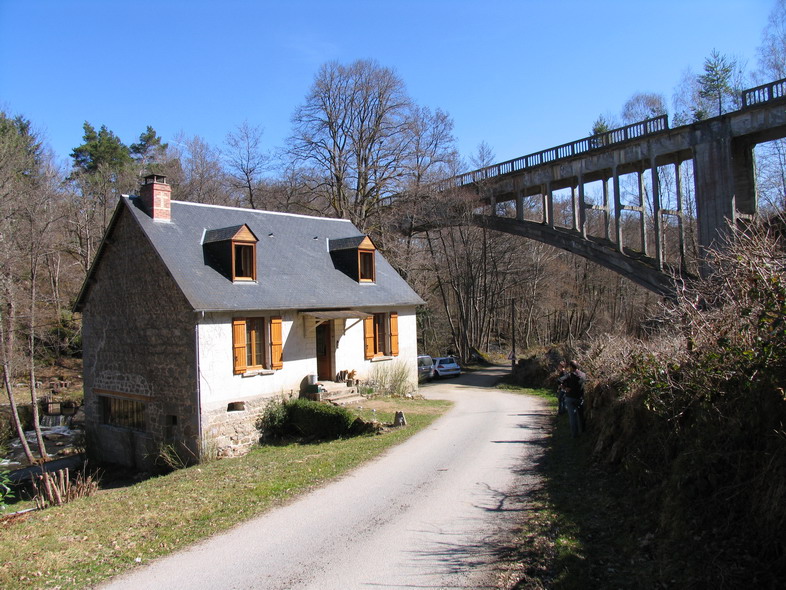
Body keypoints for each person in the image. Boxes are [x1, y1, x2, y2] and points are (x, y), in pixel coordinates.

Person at [562, 360, 586, 438]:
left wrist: (565, 388)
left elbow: (560, 380)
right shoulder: (583, 375)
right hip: (580, 398)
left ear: (571, 367)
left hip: (570, 397)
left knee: (573, 417)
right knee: (581, 416)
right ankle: (582, 432)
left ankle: (574, 434)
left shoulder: (570, 375)